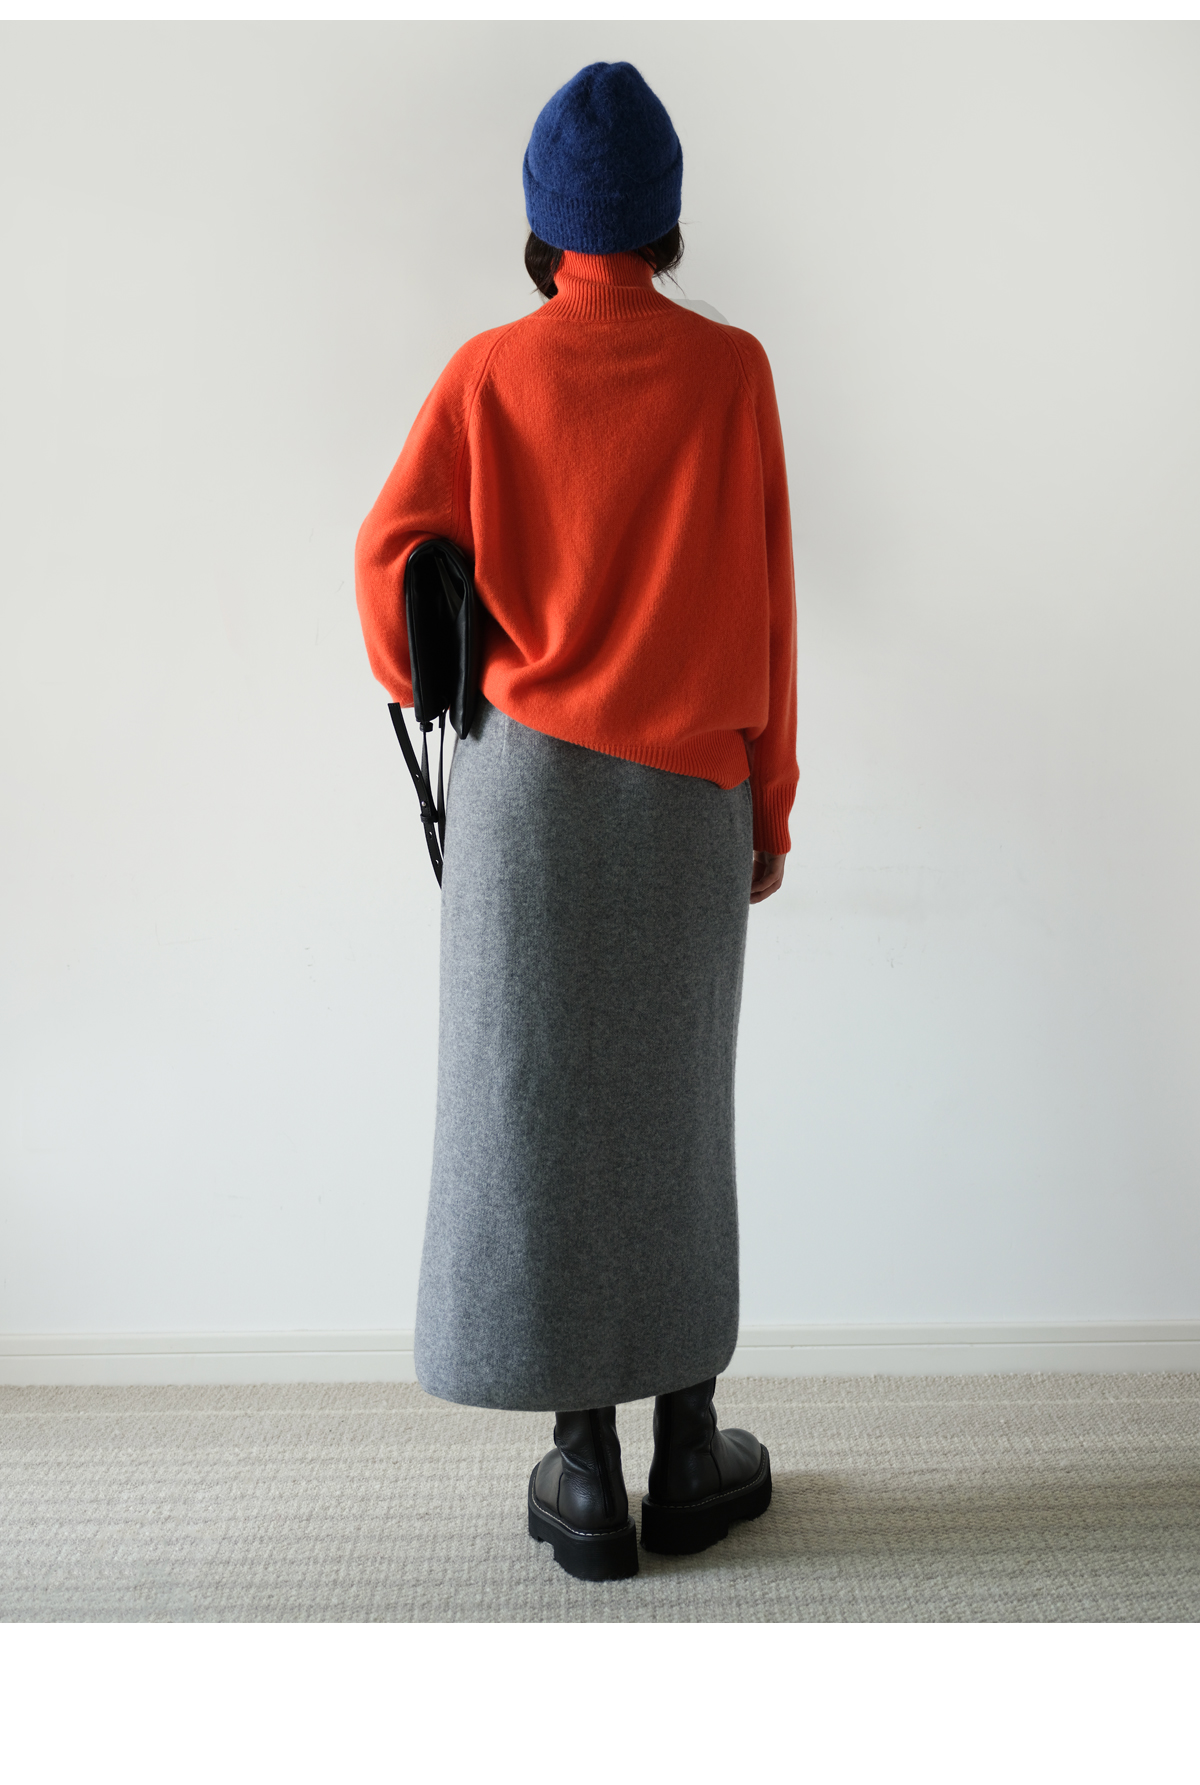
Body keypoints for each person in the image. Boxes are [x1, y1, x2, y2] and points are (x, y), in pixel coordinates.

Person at [355, 61, 798, 1582]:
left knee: (541, 1117)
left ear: (545, 224)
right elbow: (769, 606)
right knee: (674, 1118)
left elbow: (388, 575)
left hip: (527, 802)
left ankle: (587, 1470)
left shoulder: (491, 374)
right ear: (666, 219)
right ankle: (692, 1447)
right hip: (686, 798)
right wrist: (770, 807)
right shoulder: (732, 373)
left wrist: (442, 643)